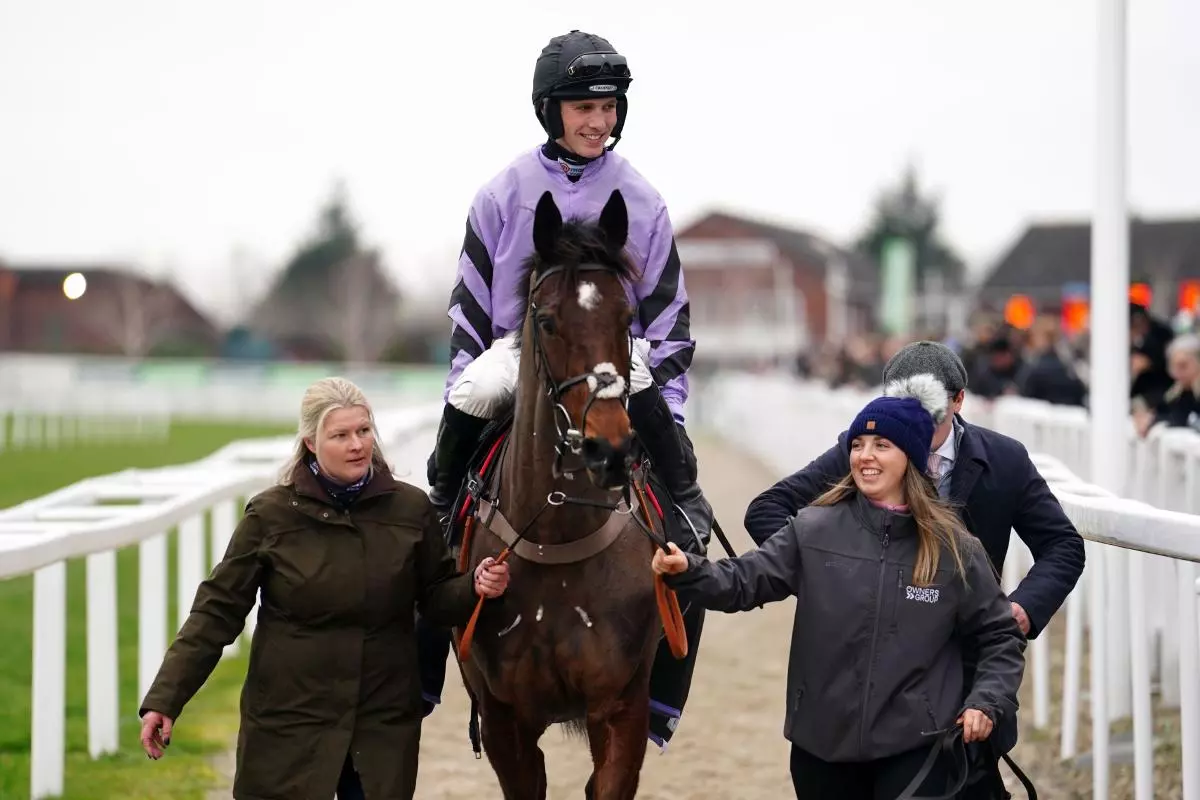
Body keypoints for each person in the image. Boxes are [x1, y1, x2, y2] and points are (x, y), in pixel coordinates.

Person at [417, 29, 711, 749]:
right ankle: (438, 511)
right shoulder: (503, 193)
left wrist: (657, 422)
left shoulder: (642, 200)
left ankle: (662, 697)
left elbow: (669, 325)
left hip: (614, 359)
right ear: (551, 110)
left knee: (687, 542)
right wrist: (478, 380)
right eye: (584, 107)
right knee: (426, 539)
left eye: (609, 108)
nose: (598, 122)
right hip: (522, 355)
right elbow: (469, 308)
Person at [137, 377, 510, 800]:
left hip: (380, 723)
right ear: (311, 443)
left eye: (364, 431)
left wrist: (475, 586)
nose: (357, 444)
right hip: (289, 720)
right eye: (341, 435)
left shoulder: (411, 509)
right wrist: (165, 699)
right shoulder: (270, 515)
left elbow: (438, 600)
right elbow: (215, 614)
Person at [745, 341, 1085, 795]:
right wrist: (828, 574)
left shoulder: (1005, 459)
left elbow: (1063, 545)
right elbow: (769, 507)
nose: (915, 425)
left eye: (930, 412)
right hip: (881, 676)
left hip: (966, 665)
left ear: (959, 400)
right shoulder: (862, 451)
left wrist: (1023, 607)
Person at [653, 388, 1026, 798]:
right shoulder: (811, 529)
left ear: (912, 458)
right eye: (858, 445)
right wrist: (688, 570)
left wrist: (986, 701)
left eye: (882, 445)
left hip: (919, 746)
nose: (865, 456)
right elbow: (743, 581)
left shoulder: (955, 549)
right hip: (820, 746)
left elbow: (1000, 635)